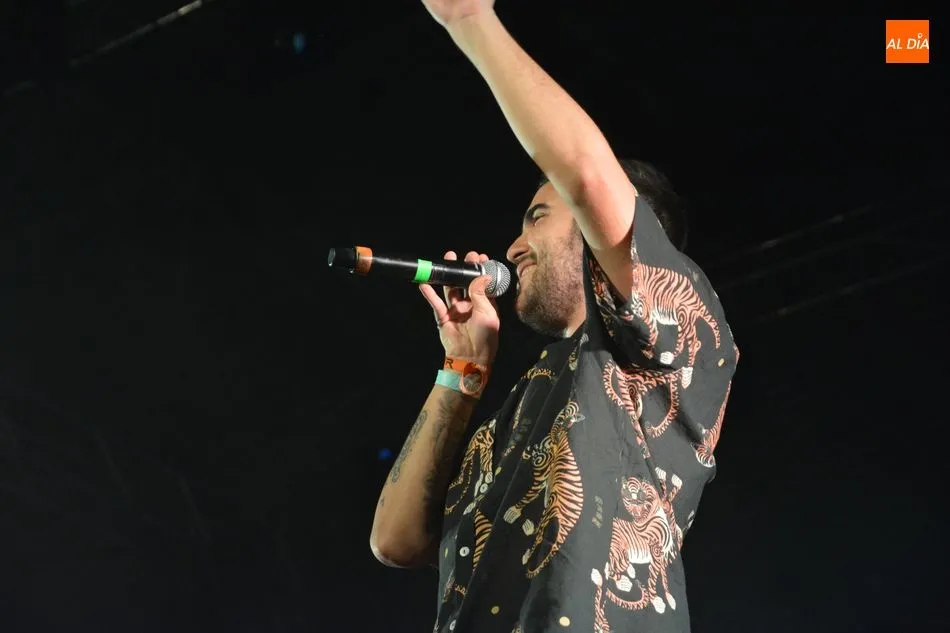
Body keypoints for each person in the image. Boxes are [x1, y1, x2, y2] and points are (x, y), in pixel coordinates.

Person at [369, 2, 739, 632]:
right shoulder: (512, 423)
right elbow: (395, 541)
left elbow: (587, 174)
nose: (513, 247)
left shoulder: (674, 329)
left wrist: (469, 20)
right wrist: (463, 370)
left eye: (537, 218)